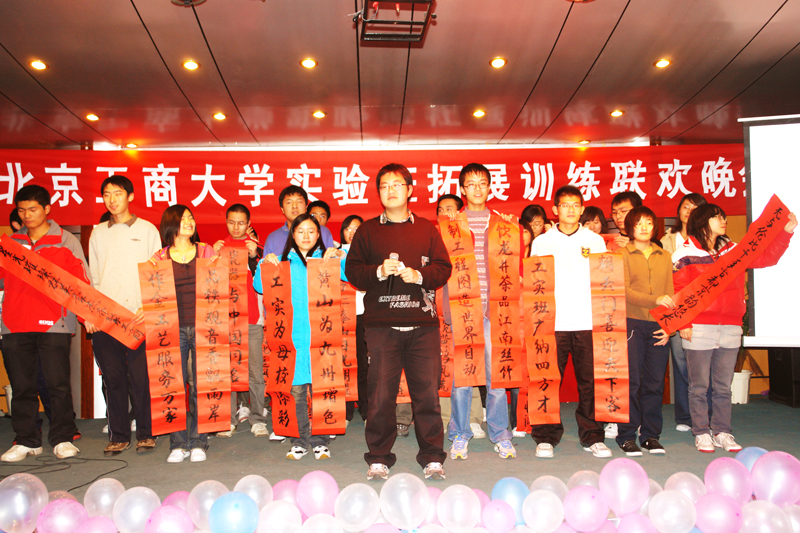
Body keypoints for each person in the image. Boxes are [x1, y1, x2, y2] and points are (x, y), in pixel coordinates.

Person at [345, 163, 452, 481]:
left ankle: (432, 457)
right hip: (381, 326)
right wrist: (378, 271)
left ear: (410, 190)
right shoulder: (367, 231)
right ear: (379, 192)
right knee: (380, 396)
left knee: (427, 396)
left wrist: (419, 276)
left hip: (422, 326)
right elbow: (353, 271)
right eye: (384, 186)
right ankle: (378, 457)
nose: (390, 190)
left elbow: (443, 268)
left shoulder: (427, 229)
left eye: (396, 184)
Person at [672, 204, 796, 453]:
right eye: (718, 217)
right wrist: (683, 323)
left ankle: (722, 432)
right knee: (698, 386)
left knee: (722, 386)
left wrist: (786, 232)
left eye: (724, 216)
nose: (724, 220)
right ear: (703, 221)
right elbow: (678, 291)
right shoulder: (684, 253)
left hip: (730, 325)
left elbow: (767, 258)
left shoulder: (734, 249)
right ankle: (701, 432)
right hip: (699, 326)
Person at [1, 185, 89, 462]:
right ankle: (27, 440)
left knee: (57, 385)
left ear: (47, 209)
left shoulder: (65, 241)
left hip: (55, 323)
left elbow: (81, 282)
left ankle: (62, 437)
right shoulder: (10, 244)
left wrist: (87, 316)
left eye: (33, 209)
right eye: (22, 210)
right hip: (14, 324)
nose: (27, 215)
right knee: (21, 386)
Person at [255, 214, 347, 460]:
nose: (306, 235)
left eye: (311, 231)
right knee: (295, 392)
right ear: (292, 235)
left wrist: (341, 255)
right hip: (291, 339)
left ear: (319, 235)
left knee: (322, 389)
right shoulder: (281, 263)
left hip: (322, 337)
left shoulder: (327, 260)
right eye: (300, 231)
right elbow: (259, 286)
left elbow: (351, 274)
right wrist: (264, 263)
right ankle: (299, 441)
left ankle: (320, 441)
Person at [529, 185, 610, 459]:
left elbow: (605, 281)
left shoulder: (595, 241)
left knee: (590, 383)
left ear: (582, 209)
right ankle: (545, 437)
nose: (571, 210)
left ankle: (592, 436)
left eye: (576, 205)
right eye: (565, 205)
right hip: (552, 324)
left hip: (587, 321)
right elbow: (535, 284)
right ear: (555, 209)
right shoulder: (542, 242)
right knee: (548, 381)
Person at [446, 163, 517, 462]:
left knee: (496, 378)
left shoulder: (504, 225)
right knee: (462, 379)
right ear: (462, 189)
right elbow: (443, 271)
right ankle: (460, 433)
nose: (477, 188)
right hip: (463, 310)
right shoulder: (451, 225)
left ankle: (500, 434)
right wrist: (447, 313)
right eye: (471, 183)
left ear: (490, 187)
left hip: (496, 312)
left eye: (482, 183)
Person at [87, 175, 161, 456]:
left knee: (142, 380)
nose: (112, 199)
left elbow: (157, 275)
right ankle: (118, 435)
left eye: (117, 193)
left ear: (130, 196)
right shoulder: (97, 233)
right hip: (107, 319)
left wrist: (148, 307)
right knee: (113, 379)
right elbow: (94, 279)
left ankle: (146, 433)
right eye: (106, 194)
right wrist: (91, 314)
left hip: (139, 317)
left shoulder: (147, 230)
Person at [150, 205, 217, 463]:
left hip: (203, 325)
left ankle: (199, 440)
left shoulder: (206, 251)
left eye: (191, 218)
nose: (189, 222)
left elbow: (220, 284)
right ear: (171, 224)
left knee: (202, 384)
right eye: (183, 219)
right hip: (171, 328)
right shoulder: (159, 257)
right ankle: (178, 443)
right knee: (172, 385)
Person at [616, 206, 675, 456]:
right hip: (632, 323)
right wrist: (654, 300)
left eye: (649, 223)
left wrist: (669, 327)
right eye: (638, 223)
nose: (644, 227)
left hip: (658, 326)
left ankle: (650, 436)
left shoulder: (664, 256)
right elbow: (623, 290)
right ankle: (626, 436)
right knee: (631, 382)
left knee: (654, 383)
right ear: (630, 227)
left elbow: (670, 294)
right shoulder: (622, 254)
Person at [212, 204, 267, 438]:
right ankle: (229, 419)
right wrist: (213, 258)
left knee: (255, 372)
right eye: (232, 222)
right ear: (226, 222)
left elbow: (267, 282)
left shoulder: (257, 249)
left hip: (252, 319)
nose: (236, 227)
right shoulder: (217, 249)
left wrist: (254, 257)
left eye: (241, 223)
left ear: (248, 224)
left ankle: (258, 419)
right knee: (228, 371)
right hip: (226, 320)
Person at [660, 193, 707, 432]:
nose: (689, 211)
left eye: (695, 207)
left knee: (701, 366)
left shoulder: (710, 239)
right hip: (675, 306)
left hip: (704, 307)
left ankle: (705, 415)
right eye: (686, 206)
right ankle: (685, 416)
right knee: (680, 363)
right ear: (678, 211)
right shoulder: (667, 240)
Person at [340, 215, 368, 424]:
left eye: (357, 228)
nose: (352, 232)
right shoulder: (333, 253)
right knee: (344, 365)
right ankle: (345, 411)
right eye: (348, 228)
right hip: (341, 317)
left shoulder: (370, 254)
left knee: (365, 366)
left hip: (365, 315)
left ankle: (367, 411)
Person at [265, 187, 334, 256]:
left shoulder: (323, 232)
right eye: (289, 202)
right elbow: (267, 262)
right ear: (282, 209)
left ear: (306, 207)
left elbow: (331, 260)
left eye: (299, 202)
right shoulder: (273, 238)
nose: (294, 206)